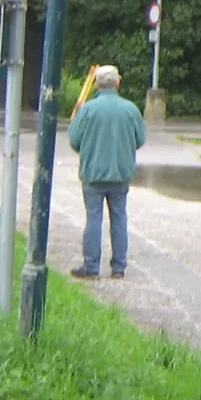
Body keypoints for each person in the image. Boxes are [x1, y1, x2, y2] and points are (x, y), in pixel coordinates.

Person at [68, 65, 146, 279]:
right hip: (121, 174)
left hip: (93, 174)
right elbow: (140, 140)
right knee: (119, 218)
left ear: (97, 84)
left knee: (93, 219)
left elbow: (74, 140)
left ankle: (91, 267)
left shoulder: (87, 110)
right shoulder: (130, 109)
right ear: (118, 83)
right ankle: (119, 267)